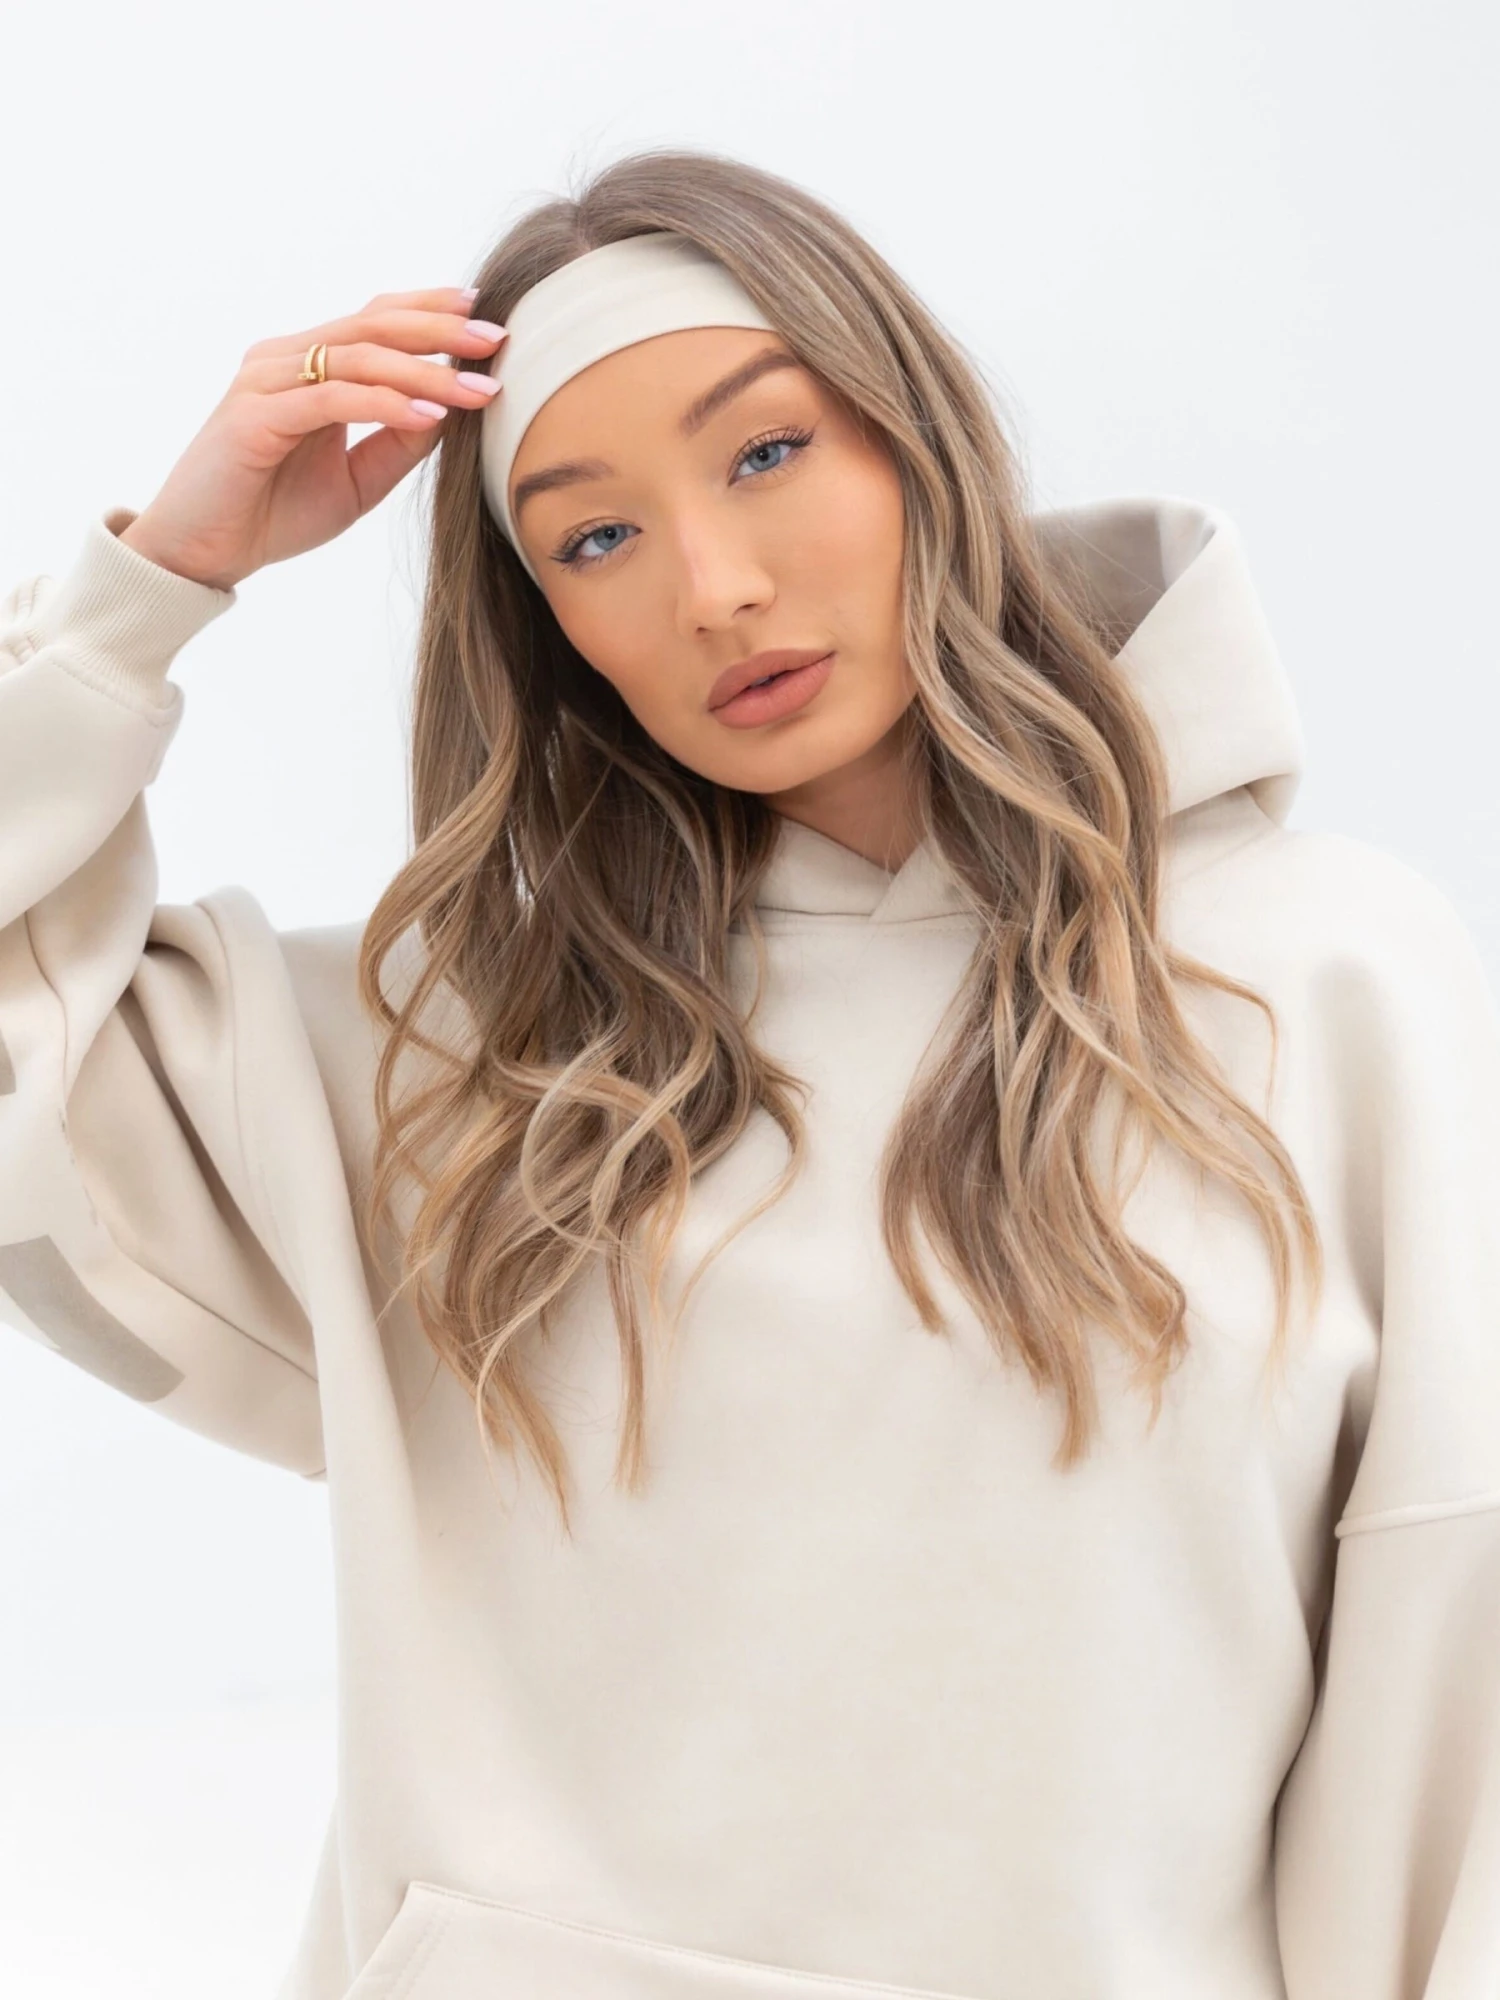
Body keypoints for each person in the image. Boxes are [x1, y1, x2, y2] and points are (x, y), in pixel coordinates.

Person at [2, 146, 1498, 2000]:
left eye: (768, 451)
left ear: (918, 442)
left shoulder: (1324, 982)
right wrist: (150, 586)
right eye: (594, 540)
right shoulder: (481, 1054)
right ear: (549, 629)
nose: (713, 588)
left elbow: (1450, 1669)